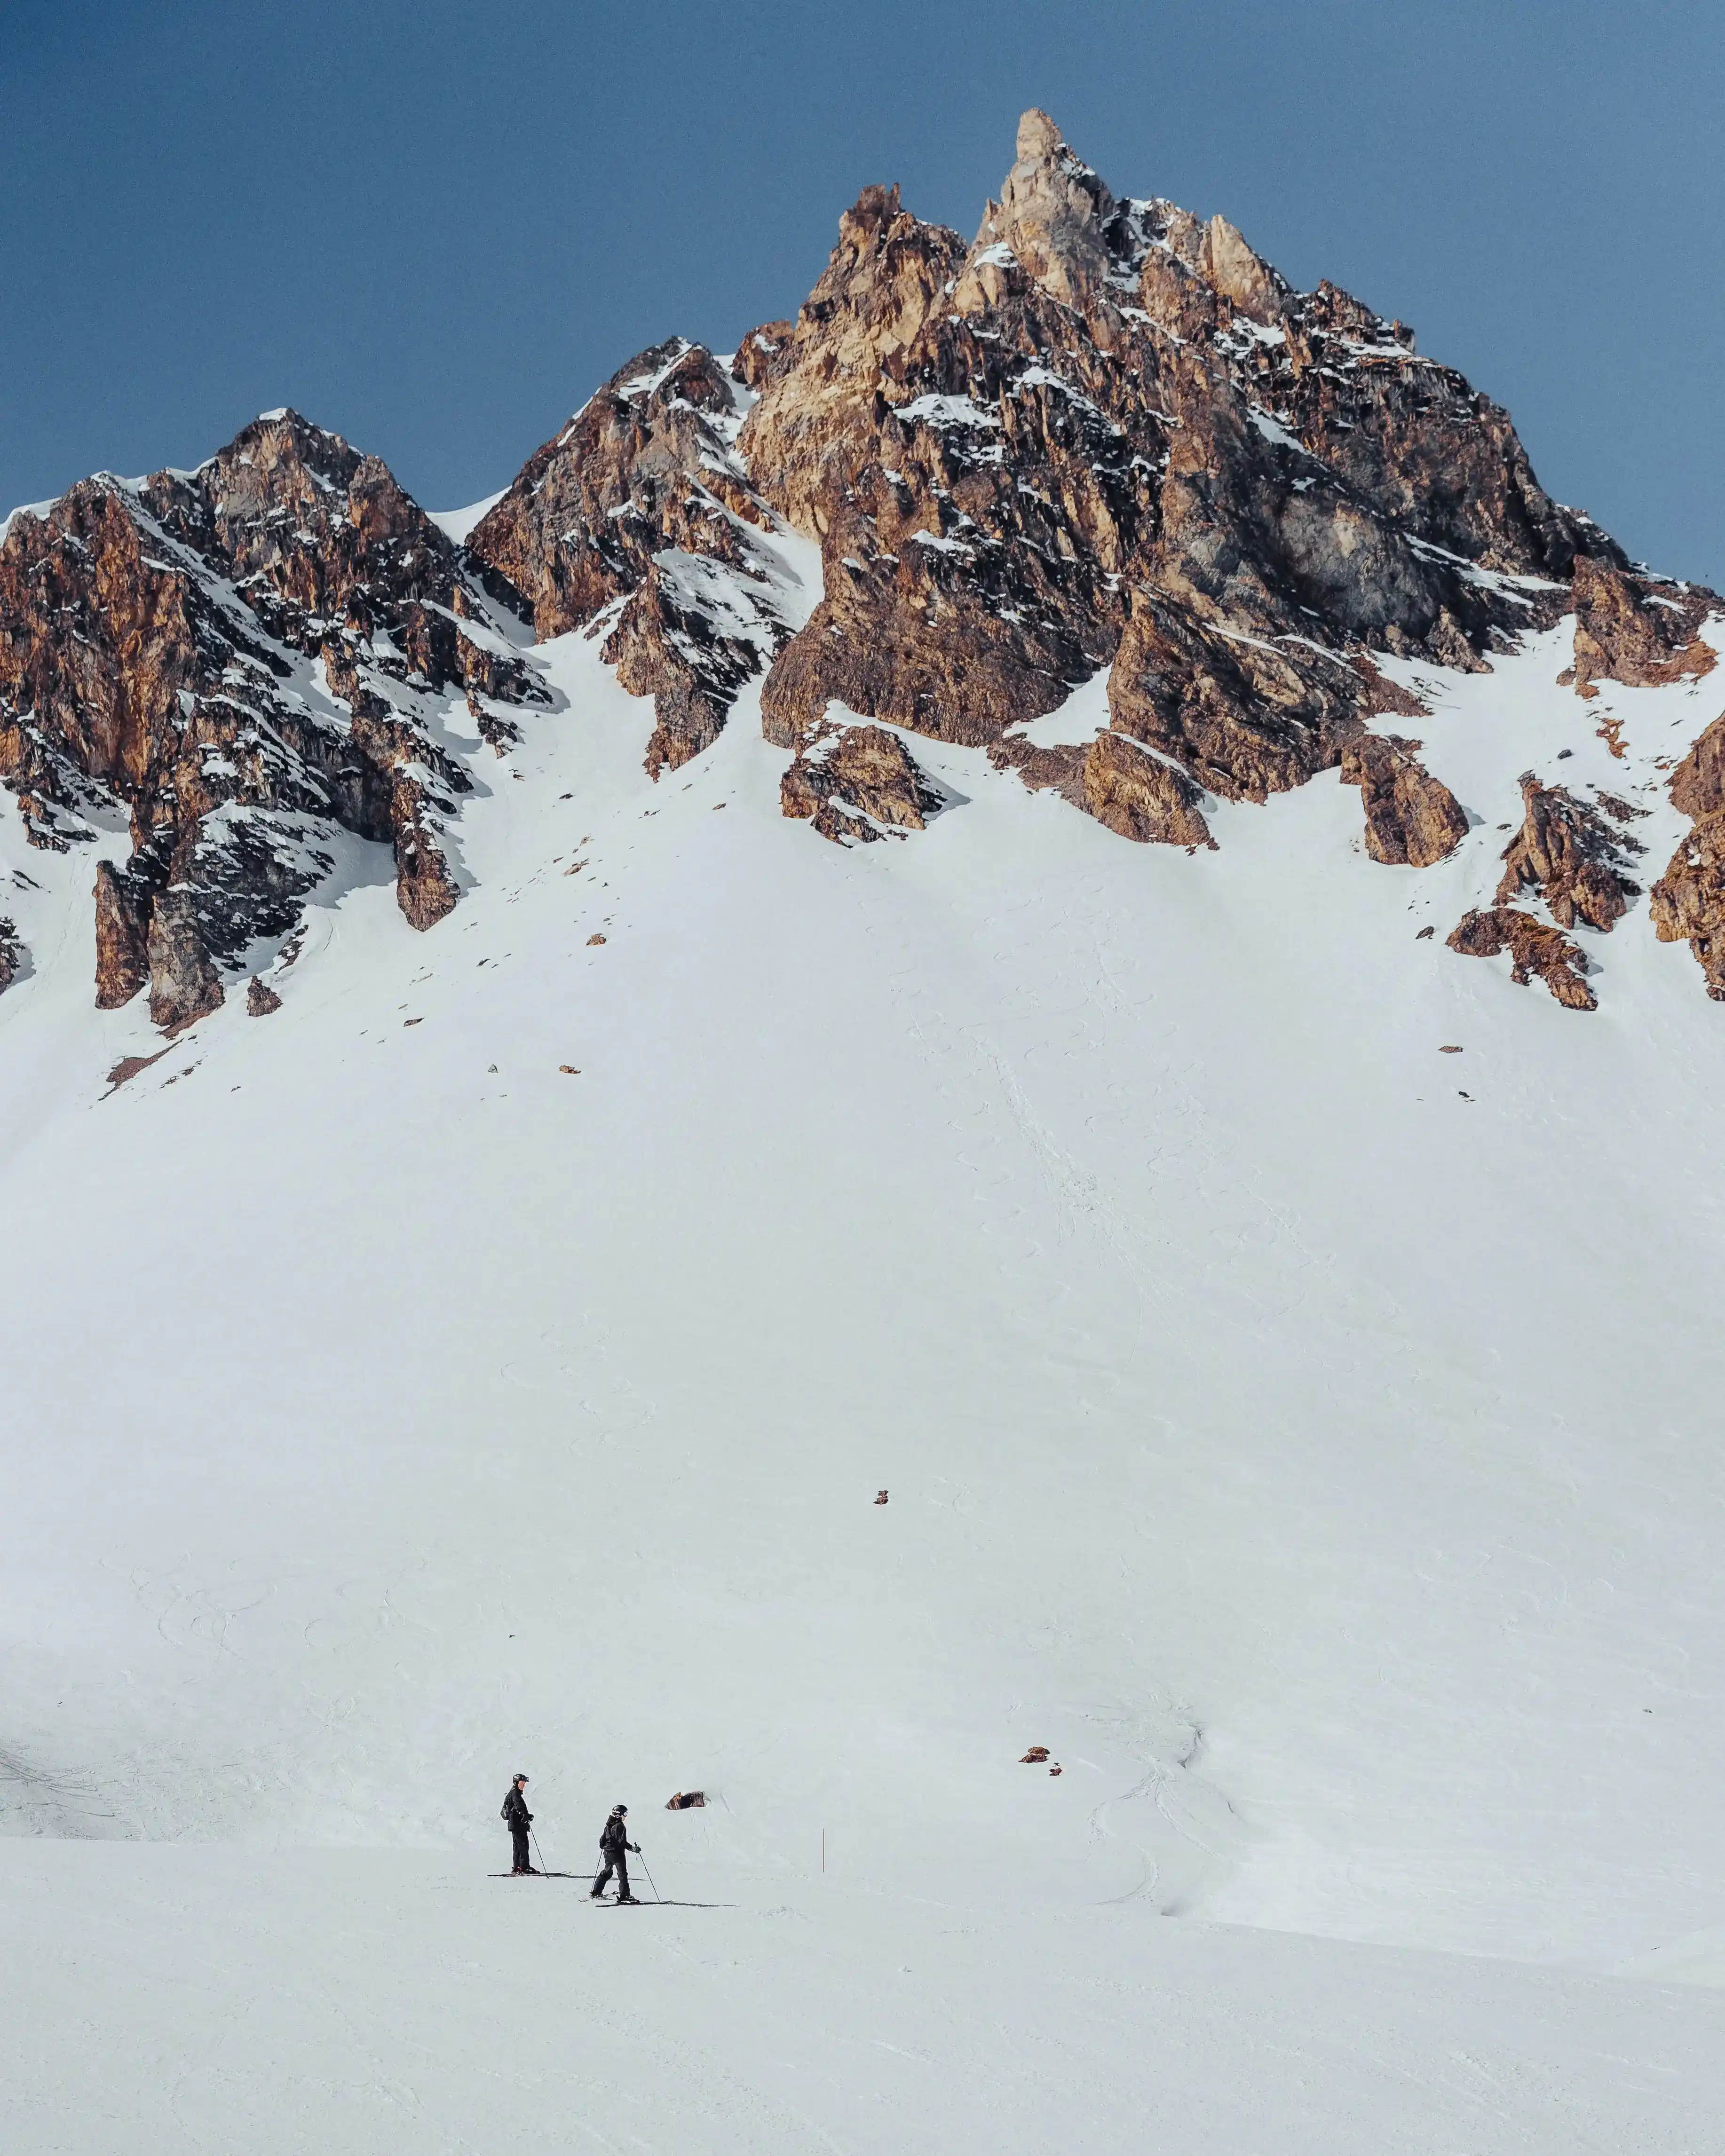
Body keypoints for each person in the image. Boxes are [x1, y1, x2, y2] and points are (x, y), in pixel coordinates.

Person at [591, 1804, 640, 1902]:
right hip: (618, 1855)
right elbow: (622, 1842)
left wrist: (605, 1847)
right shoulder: (620, 1826)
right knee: (622, 1875)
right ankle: (625, 1896)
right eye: (625, 1814)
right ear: (619, 1815)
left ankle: (596, 1892)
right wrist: (632, 1848)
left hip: (608, 1854)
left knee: (607, 1872)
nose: (625, 1816)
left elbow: (602, 1841)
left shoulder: (608, 1825)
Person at [502, 1774, 534, 1874]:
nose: (523, 1786)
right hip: (518, 1824)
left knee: (517, 1846)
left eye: (524, 1784)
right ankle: (524, 1867)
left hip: (514, 1825)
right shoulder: (516, 1794)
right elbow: (518, 1806)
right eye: (521, 1783)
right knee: (524, 1845)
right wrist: (526, 1815)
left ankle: (518, 1867)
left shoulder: (512, 1793)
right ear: (516, 1783)